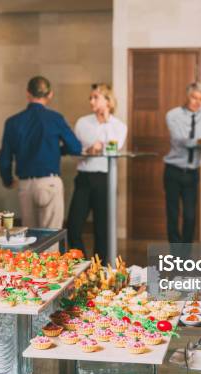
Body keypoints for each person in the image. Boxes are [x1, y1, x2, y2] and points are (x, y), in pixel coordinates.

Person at [0, 76, 82, 229]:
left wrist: (8, 180)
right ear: (50, 95)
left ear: (27, 93)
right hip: (49, 183)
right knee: (51, 237)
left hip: (25, 185)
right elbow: (76, 148)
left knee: (30, 238)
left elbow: (4, 158)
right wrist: (56, 150)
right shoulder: (55, 119)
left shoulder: (13, 122)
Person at [66, 84, 127, 262]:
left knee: (103, 229)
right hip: (84, 178)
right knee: (73, 226)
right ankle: (82, 265)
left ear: (107, 100)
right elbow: (74, 152)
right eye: (90, 97)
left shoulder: (119, 126)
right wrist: (88, 150)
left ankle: (98, 270)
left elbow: (115, 148)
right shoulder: (82, 122)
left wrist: (106, 120)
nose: (91, 101)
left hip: (105, 179)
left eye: (95, 97)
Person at [164, 82, 201, 243]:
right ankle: (175, 254)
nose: (197, 102)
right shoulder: (172, 115)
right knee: (173, 214)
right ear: (187, 97)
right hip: (173, 170)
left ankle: (185, 254)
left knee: (190, 216)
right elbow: (180, 140)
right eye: (194, 98)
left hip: (192, 173)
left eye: (200, 99)